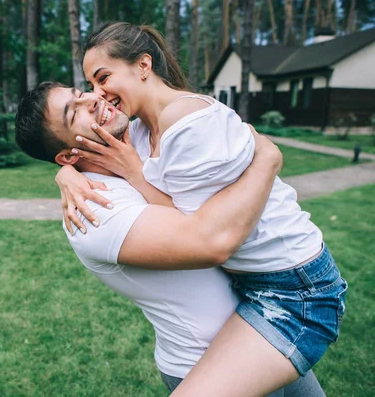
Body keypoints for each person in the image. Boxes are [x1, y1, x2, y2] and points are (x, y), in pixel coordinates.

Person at [53, 22, 347, 396]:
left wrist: (132, 170)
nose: (99, 95)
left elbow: (199, 230)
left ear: (143, 65)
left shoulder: (187, 121)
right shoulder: (144, 128)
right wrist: (66, 172)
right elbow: (81, 146)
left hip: (297, 286)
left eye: (102, 78)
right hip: (256, 285)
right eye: (91, 86)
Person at [15, 82, 325, 396]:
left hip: (264, 322)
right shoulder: (94, 210)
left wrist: (65, 173)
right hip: (208, 360)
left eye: (81, 93)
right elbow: (212, 241)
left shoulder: (137, 139)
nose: (92, 101)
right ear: (67, 155)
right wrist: (268, 159)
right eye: (73, 113)